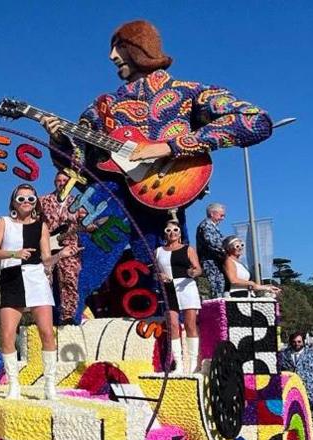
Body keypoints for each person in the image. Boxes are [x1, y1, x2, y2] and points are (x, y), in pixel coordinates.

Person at [40, 20, 271, 270]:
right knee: (78, 272)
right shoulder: (102, 106)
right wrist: (59, 140)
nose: (111, 56)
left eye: (119, 47)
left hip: (165, 199)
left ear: (141, 47)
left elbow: (255, 120)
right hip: (112, 201)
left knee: (167, 282)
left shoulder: (187, 92)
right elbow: (79, 169)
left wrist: (168, 147)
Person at [0, 183, 60, 400]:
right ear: (13, 202)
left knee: (47, 332)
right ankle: (14, 385)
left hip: (36, 277)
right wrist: (14, 254)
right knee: (8, 334)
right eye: (21, 199)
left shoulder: (41, 226)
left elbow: (47, 259)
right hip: (12, 277)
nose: (26, 202)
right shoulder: (4, 222)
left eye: (30, 198)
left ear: (36, 202)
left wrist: (61, 255)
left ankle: (50, 384)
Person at [39, 169, 92, 324]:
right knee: (45, 282)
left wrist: (91, 226)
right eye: (59, 181)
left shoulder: (77, 203)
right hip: (47, 246)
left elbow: (85, 223)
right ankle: (46, 317)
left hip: (69, 247)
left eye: (64, 181)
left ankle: (69, 316)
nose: (62, 183)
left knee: (70, 279)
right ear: (54, 182)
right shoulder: (43, 201)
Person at [155, 220, 203, 373]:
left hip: (186, 287)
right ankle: (179, 364)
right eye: (168, 230)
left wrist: (192, 272)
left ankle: (193, 363)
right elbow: (155, 272)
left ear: (180, 232)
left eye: (175, 230)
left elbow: (198, 270)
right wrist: (159, 276)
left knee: (190, 325)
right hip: (169, 289)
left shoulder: (188, 249)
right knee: (173, 325)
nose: (172, 233)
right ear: (164, 233)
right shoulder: (158, 251)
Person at [195, 203, 227, 297]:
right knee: (214, 290)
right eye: (221, 215)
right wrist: (227, 251)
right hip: (209, 264)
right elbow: (213, 244)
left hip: (215, 263)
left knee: (219, 290)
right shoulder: (206, 225)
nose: (222, 218)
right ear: (212, 214)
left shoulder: (212, 226)